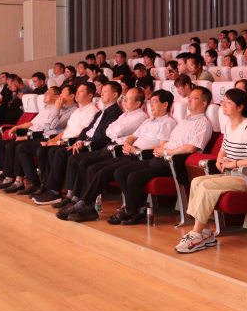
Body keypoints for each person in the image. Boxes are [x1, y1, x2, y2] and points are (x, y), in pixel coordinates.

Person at [56, 90, 176, 222]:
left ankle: (82, 205)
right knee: (93, 168)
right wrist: (128, 145)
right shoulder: (148, 121)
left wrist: (136, 150)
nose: (151, 105)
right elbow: (131, 137)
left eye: (154, 102)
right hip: (129, 153)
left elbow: (161, 146)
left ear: (165, 105)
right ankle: (87, 207)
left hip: (143, 157)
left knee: (105, 172)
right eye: (150, 102)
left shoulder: (167, 123)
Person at [174, 88, 247, 253]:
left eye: (228, 102)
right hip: (232, 174)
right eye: (223, 101)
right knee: (196, 182)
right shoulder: (229, 125)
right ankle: (205, 233)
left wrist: (234, 163)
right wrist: (219, 158)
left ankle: (196, 235)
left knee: (206, 186)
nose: (223, 105)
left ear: (240, 107)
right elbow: (223, 149)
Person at [107, 86, 214, 225]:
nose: (189, 100)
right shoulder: (184, 121)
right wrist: (161, 149)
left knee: (133, 177)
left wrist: (166, 152)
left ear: (204, 103)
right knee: (120, 172)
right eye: (189, 97)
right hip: (160, 157)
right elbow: (170, 142)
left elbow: (191, 148)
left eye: (193, 98)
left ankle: (131, 211)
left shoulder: (203, 124)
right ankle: (138, 209)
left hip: (173, 163)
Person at [50, 87, 148, 211]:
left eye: (128, 99)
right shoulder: (124, 114)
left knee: (85, 163)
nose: (124, 100)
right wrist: (115, 132)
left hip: (117, 150)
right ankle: (76, 199)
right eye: (124, 98)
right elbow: (109, 130)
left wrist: (115, 131)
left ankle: (81, 202)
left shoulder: (140, 116)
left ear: (138, 103)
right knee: (78, 160)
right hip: (109, 145)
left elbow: (118, 130)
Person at [31, 82, 125, 205]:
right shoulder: (101, 111)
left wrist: (85, 142)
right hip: (85, 142)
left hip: (95, 145)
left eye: (105, 92)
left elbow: (104, 134)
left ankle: (65, 194)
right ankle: (52, 189)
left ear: (115, 95)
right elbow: (87, 130)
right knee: (53, 151)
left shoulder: (115, 112)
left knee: (63, 154)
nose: (101, 93)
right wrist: (79, 140)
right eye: (102, 91)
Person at [16, 83, 99, 195]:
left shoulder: (92, 111)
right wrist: (51, 141)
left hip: (72, 143)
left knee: (49, 151)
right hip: (63, 139)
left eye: (80, 91)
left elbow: (82, 134)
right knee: (38, 148)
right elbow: (65, 131)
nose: (77, 94)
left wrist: (58, 142)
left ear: (90, 95)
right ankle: (43, 185)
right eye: (77, 91)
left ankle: (52, 190)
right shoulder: (77, 111)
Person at [0, 86, 76, 191]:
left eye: (48, 93)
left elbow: (53, 125)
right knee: (4, 145)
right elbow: (40, 124)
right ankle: (8, 176)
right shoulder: (53, 109)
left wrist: (27, 136)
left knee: (17, 146)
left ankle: (26, 182)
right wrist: (17, 127)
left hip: (49, 137)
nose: (45, 95)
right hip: (42, 135)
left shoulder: (62, 109)